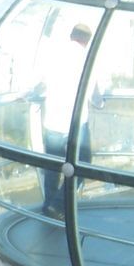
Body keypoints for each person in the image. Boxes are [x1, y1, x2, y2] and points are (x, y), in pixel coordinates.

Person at [37, 22, 94, 218]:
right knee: (83, 165)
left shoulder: (54, 54)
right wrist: (100, 102)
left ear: (71, 35)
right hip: (76, 123)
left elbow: (40, 82)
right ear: (87, 41)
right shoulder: (87, 58)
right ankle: (59, 204)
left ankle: (48, 206)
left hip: (53, 120)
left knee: (52, 168)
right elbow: (94, 92)